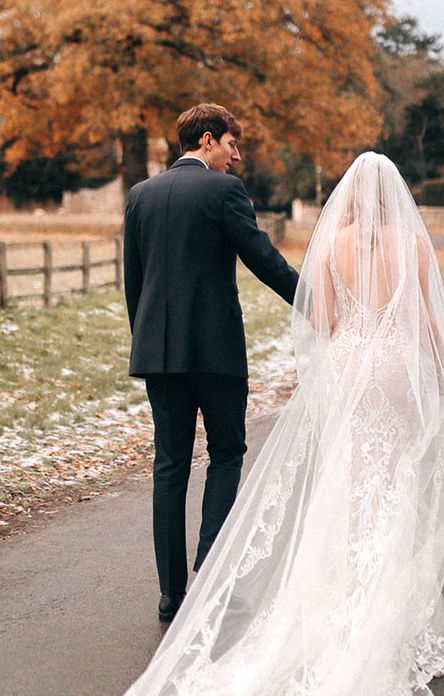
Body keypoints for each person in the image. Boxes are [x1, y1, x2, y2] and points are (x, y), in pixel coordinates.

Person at [126, 151, 444, 695]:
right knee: (394, 474)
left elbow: (323, 316)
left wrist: (346, 344)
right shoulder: (415, 243)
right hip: (397, 367)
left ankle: (333, 589)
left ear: (349, 198)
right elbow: (427, 318)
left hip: (349, 362)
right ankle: (384, 595)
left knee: (350, 476)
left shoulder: (332, 243)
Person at [123, 103, 300, 624]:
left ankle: (170, 593)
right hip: (217, 352)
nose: (236, 155)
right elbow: (263, 259)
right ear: (206, 140)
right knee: (226, 452)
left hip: (158, 353)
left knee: (169, 465)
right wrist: (318, 302)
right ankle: (211, 570)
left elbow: (135, 283)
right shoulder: (225, 191)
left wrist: (148, 343)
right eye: (231, 144)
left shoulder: (140, 195)